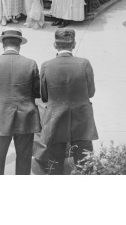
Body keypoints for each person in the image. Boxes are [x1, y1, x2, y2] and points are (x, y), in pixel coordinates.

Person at [0, 30, 41, 175]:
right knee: (24, 157)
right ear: (19, 45)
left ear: (3, 44)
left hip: (0, 117)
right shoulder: (30, 64)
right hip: (25, 117)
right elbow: (38, 93)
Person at [39, 28, 98, 175]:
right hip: (82, 118)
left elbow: (44, 96)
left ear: (55, 45)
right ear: (74, 44)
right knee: (84, 161)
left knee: (54, 161)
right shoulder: (84, 63)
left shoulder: (46, 65)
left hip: (56, 118)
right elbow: (91, 92)